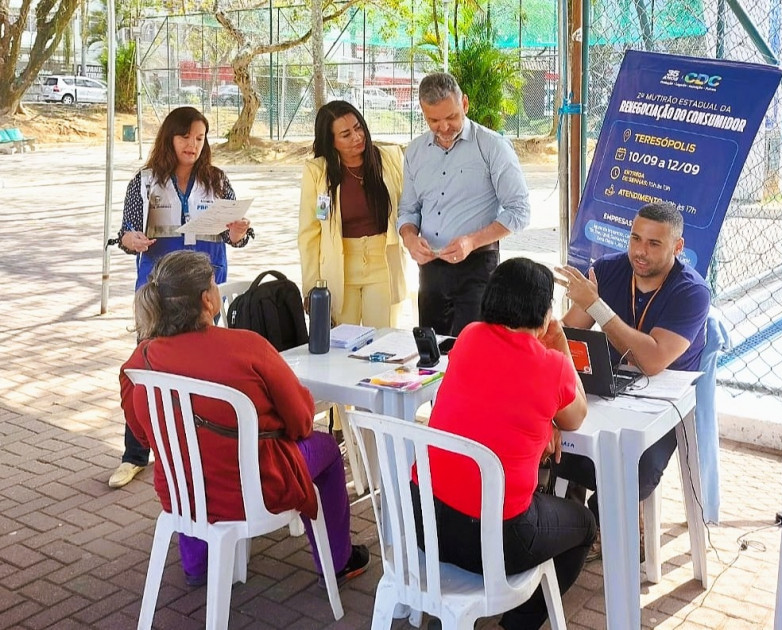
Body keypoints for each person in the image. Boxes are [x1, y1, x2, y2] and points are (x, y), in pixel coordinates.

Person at [119, 250, 370, 587]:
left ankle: (196, 565)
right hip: (258, 488)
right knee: (325, 448)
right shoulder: (248, 346)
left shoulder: (140, 360)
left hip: (182, 492)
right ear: (207, 300)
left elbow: (144, 434)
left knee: (188, 454)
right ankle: (339, 562)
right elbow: (301, 421)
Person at [413, 257, 596, 630]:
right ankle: (516, 624)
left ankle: (454, 616)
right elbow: (576, 416)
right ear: (544, 314)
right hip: (496, 541)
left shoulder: (469, 337)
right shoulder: (553, 366)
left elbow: (493, 399)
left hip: (425, 523)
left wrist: (543, 421)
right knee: (584, 525)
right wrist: (560, 344)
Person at [109, 106, 254, 489]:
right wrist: (130, 239)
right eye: (185, 136)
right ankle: (134, 455)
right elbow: (125, 233)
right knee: (146, 370)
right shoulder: (144, 182)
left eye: (200, 138)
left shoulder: (217, 181)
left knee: (203, 370)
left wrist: (237, 233)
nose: (192, 144)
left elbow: (235, 237)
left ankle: (199, 450)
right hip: (158, 289)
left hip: (204, 289)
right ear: (169, 138)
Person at [553, 201, 711, 534]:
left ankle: (611, 529)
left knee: (633, 466)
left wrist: (596, 306)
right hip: (608, 389)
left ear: (677, 247)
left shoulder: (692, 292)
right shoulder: (608, 269)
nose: (640, 251)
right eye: (635, 239)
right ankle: (577, 525)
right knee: (551, 442)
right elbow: (568, 333)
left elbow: (652, 361)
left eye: (654, 243)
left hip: (663, 406)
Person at [397, 72, 531, 336]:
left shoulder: (492, 146)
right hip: (430, 271)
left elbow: (520, 211)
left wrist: (471, 241)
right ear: (423, 113)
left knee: (474, 349)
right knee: (431, 349)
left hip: (477, 267)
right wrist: (409, 238)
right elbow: (408, 211)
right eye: (434, 121)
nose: (444, 127)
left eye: (451, 117)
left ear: (465, 104)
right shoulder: (415, 151)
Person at [298, 99, 407, 329]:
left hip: (383, 266)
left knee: (382, 340)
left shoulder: (389, 158)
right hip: (339, 271)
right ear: (331, 141)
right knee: (342, 343)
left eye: (358, 128)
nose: (357, 137)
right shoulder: (317, 171)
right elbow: (309, 234)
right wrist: (311, 287)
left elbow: (408, 207)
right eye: (346, 135)